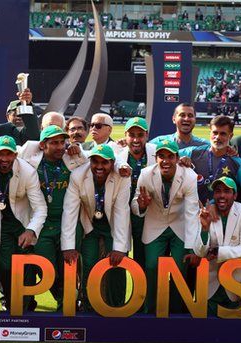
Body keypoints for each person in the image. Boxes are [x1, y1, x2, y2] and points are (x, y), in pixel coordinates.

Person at [18, 125, 87, 310]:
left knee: (69, 266)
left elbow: (93, 162)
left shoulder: (72, 159)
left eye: (62, 142)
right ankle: (65, 299)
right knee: (46, 266)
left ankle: (67, 304)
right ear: (42, 145)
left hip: (69, 222)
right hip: (41, 223)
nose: (59, 147)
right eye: (54, 143)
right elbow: (0, 152)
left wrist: (79, 151)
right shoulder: (31, 161)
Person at [132, 139, 199, 313]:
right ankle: (150, 309)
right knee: (152, 266)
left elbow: (192, 213)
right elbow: (135, 202)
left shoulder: (189, 176)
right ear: (156, 158)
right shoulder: (146, 174)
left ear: (177, 158)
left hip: (180, 224)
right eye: (161, 156)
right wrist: (142, 205)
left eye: (170, 156)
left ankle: (176, 310)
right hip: (155, 224)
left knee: (179, 267)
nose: (165, 161)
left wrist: (192, 247)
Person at [62, 144, 130, 309]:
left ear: (112, 163)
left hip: (113, 224)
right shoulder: (78, 176)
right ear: (90, 161)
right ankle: (87, 303)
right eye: (95, 162)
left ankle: (116, 304)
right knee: (89, 263)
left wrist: (119, 248)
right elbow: (69, 211)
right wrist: (68, 246)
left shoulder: (121, 176)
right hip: (90, 224)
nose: (99, 166)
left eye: (104, 162)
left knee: (116, 264)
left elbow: (122, 212)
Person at [0, 135, 47, 310]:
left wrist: (31, 230)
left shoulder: (27, 171)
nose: (4, 159)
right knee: (5, 266)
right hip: (0, 225)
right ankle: (10, 302)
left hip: (21, 224)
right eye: (0, 154)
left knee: (27, 264)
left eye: (9, 154)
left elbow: (40, 207)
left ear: (15, 155)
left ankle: (27, 305)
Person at [191, 177, 241, 316]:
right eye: (218, 191)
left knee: (232, 334)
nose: (222, 195)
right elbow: (200, 252)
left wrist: (218, 251)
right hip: (209, 283)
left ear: (235, 195)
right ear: (214, 195)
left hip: (235, 283)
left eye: (227, 191)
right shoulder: (205, 213)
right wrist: (205, 229)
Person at [179, 115, 241, 208]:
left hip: (221, 217)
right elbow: (167, 154)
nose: (217, 137)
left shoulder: (236, 162)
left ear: (230, 136)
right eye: (215, 133)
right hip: (191, 213)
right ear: (210, 133)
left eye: (223, 134)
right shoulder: (192, 153)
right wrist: (180, 159)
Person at [116, 117, 157, 270]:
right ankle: (118, 294)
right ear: (125, 135)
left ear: (146, 135)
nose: (135, 139)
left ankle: (144, 294)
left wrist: (185, 160)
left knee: (145, 263)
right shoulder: (117, 156)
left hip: (149, 215)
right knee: (119, 259)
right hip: (122, 215)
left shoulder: (156, 153)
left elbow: (176, 158)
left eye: (140, 135)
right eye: (131, 134)